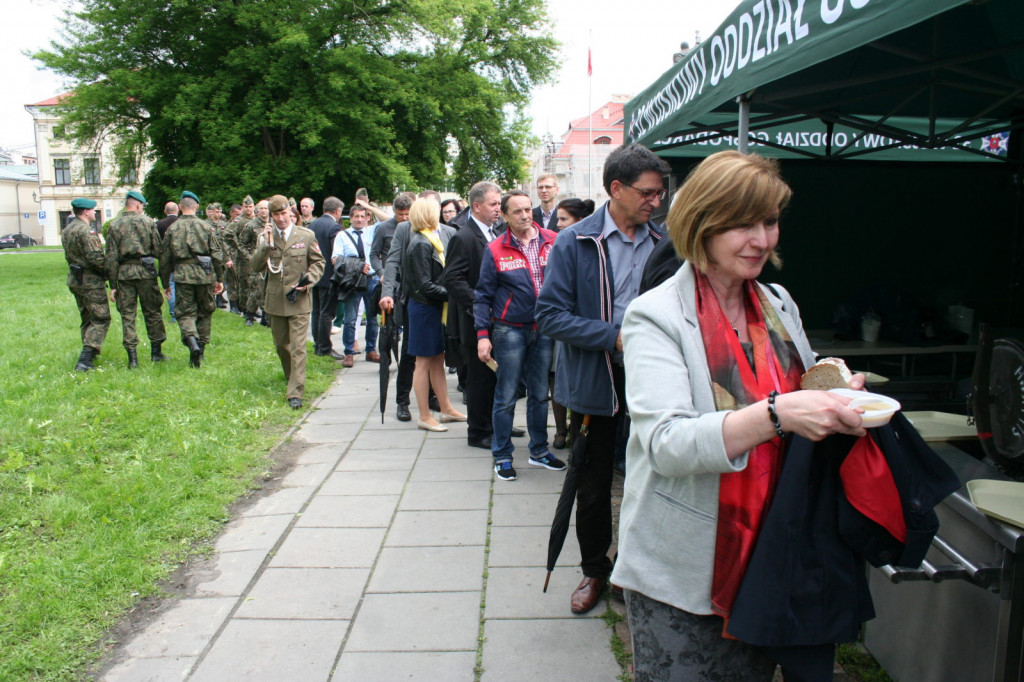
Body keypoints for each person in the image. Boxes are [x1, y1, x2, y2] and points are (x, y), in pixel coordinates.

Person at [612, 151, 869, 681]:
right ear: (702, 224)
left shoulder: (777, 301)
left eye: (770, 222)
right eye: (741, 225)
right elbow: (668, 443)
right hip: (688, 572)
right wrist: (779, 414)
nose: (761, 240)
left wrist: (834, 390)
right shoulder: (655, 316)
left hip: (774, 553)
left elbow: (793, 381)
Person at [535, 143, 669, 615]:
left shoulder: (664, 242)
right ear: (617, 188)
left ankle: (638, 568)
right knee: (592, 486)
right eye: (648, 193)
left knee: (650, 478)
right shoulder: (575, 241)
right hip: (596, 380)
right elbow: (549, 315)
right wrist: (615, 339)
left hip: (655, 381)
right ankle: (595, 570)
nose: (656, 201)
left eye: (660, 192)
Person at [474, 190, 564, 480]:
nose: (525, 215)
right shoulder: (496, 248)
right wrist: (482, 335)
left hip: (545, 329)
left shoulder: (552, 240)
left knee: (540, 394)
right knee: (506, 395)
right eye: (517, 211)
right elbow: (482, 295)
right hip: (509, 330)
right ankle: (502, 455)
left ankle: (539, 450)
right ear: (504, 215)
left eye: (528, 209)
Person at [440, 181, 504, 450]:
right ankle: (478, 432)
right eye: (493, 204)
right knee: (479, 379)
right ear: (476, 206)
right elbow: (452, 278)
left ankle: (497, 423)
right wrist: (480, 304)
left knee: (496, 376)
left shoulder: (495, 232)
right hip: (474, 321)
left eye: (499, 204)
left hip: (497, 319)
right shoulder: (464, 236)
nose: (498, 209)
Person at [251, 195, 325, 409]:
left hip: (299, 299)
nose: (281, 218)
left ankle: (295, 392)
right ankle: (291, 376)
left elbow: (318, 262)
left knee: (298, 347)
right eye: (276, 214)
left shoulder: (306, 235)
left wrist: (308, 281)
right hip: (275, 300)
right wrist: (265, 244)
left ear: (291, 214)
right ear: (271, 216)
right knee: (282, 345)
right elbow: (256, 266)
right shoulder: (265, 237)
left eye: (284, 214)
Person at [401, 197, 464, 431]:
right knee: (423, 362)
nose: (439, 213)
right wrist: (454, 294)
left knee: (437, 359)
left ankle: (446, 409)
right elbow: (423, 285)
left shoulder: (429, 239)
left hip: (434, 308)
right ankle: (425, 416)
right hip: (425, 309)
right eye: (435, 210)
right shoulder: (420, 243)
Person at [546, 198, 596, 448]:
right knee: (556, 376)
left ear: (580, 221)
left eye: (564, 219)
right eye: (557, 219)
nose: (558, 225)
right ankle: (560, 431)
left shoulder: (593, 246)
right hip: (561, 323)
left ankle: (577, 431)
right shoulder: (560, 245)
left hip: (585, 325)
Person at [159, 191, 225, 368]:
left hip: (183, 275)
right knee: (205, 310)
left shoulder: (172, 228)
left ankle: (192, 342)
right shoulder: (206, 227)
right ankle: (201, 349)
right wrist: (220, 279)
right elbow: (217, 255)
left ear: (180, 207)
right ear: (196, 206)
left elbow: (164, 258)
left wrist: (165, 283)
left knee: (185, 312)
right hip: (205, 275)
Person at [105, 190, 167, 367]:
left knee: (128, 315)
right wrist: (164, 279)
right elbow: (158, 251)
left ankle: (132, 358)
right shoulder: (148, 223)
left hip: (124, 274)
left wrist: (113, 284)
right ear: (138, 205)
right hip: (146, 272)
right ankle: (156, 352)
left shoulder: (114, 225)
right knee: (153, 312)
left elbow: (111, 257)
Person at [372, 191, 417, 421]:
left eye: (408, 214)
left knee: (433, 356)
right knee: (407, 351)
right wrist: (385, 287)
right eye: (401, 214)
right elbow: (383, 259)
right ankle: (403, 401)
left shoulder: (437, 230)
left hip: (430, 298)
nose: (405, 218)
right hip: (402, 294)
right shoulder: (389, 229)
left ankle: (431, 397)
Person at [62, 197, 110, 371]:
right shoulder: (86, 232)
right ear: (85, 211)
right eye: (93, 210)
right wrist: (109, 274)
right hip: (90, 281)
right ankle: (85, 358)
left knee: (87, 318)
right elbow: (96, 258)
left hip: (75, 279)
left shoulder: (68, 230)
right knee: (101, 318)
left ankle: (90, 355)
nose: (95, 213)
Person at [332, 203, 380, 366]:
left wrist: (368, 206)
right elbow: (335, 260)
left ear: (367, 217)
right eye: (356, 216)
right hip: (353, 281)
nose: (359, 219)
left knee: (373, 317)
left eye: (362, 216)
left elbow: (389, 219)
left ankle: (371, 350)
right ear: (350, 218)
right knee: (350, 318)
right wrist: (356, 265)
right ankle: (349, 352)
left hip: (371, 279)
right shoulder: (342, 236)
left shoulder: (373, 232)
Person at [310, 196, 345, 359]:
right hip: (328, 275)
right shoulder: (333, 227)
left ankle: (318, 345)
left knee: (316, 311)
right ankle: (325, 347)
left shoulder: (312, 225)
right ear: (338, 211)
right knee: (326, 313)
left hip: (313, 274)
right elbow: (336, 253)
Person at [237, 199, 270, 326]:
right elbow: (241, 243)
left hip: (270, 262)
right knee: (256, 289)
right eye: (261, 208)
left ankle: (266, 317)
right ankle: (249, 315)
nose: (264, 211)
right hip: (257, 262)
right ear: (257, 210)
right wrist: (250, 257)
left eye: (266, 208)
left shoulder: (273, 224)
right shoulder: (251, 225)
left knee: (268, 289)